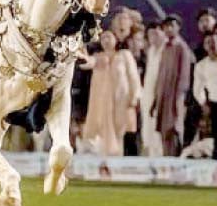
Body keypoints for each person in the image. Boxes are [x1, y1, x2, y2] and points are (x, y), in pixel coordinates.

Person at [79, 30, 142, 156]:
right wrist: (81, 46)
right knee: (104, 132)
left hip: (123, 102)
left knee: (122, 131)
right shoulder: (98, 57)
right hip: (104, 103)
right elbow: (86, 64)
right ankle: (107, 164)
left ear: (116, 39)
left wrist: (135, 97)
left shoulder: (125, 55)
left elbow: (133, 77)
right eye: (103, 38)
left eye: (109, 37)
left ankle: (123, 164)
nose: (106, 40)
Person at [151, 14, 194, 157]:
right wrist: (155, 100)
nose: (169, 29)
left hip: (175, 97)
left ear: (178, 28)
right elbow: (160, 76)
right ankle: (166, 161)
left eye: (172, 26)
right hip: (163, 97)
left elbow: (184, 77)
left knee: (174, 129)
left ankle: (175, 162)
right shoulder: (165, 48)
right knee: (163, 131)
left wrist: (178, 99)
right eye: (166, 27)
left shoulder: (182, 48)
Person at [184, 7, 217, 146]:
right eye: (201, 21)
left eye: (207, 20)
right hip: (197, 96)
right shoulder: (197, 49)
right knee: (190, 128)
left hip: (216, 96)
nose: (204, 23)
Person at [193, 32, 217, 159]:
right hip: (214, 102)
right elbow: (197, 88)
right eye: (208, 43)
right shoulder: (201, 65)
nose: (211, 45)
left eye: (213, 42)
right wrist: (203, 103)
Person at [141, 22, 165, 156]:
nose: (153, 37)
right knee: (148, 130)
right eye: (150, 35)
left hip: (161, 96)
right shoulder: (150, 52)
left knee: (158, 130)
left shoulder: (167, 50)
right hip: (147, 96)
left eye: (156, 33)